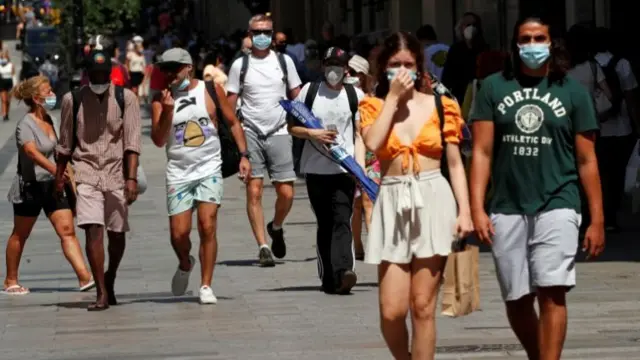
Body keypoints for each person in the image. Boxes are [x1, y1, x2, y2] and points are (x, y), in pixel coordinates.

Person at [470, 17, 605, 360]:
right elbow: (482, 152)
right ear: (515, 45)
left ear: (551, 42)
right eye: (525, 38)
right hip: (507, 204)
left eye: (539, 38)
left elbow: (587, 160)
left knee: (552, 291)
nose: (533, 44)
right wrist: (475, 208)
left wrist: (597, 219)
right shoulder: (493, 88)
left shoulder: (573, 92)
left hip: (559, 200)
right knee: (516, 299)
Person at [361, 32, 473, 359]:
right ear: (383, 67)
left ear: (420, 66)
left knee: (422, 306)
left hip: (434, 196)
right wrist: (393, 99)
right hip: (394, 200)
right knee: (391, 311)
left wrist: (464, 211)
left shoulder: (443, 104)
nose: (403, 70)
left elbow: (455, 163)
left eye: (409, 64)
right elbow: (372, 144)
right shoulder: (373, 106)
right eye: (395, 64)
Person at [151, 48, 251, 304]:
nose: (169, 74)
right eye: (165, 69)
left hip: (209, 168)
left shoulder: (210, 90)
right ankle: (185, 263)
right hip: (179, 173)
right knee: (178, 235)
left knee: (208, 225)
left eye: (174, 68)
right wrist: (168, 110)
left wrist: (244, 155)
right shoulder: (160, 99)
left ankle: (206, 285)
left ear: (188, 68)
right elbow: (159, 140)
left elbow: (233, 123)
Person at [55, 50, 142, 311]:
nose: (100, 78)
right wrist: (59, 177)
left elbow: (133, 142)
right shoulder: (73, 100)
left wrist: (131, 179)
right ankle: (101, 292)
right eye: (95, 74)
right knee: (93, 229)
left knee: (117, 233)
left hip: (117, 172)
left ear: (112, 74)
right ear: (87, 74)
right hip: (86, 171)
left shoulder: (127, 99)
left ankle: (110, 274)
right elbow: (65, 143)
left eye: (104, 74)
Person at [4, 76, 94, 295]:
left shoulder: (50, 119)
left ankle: (85, 277)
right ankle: (10, 280)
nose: (52, 94)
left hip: (54, 186)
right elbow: (31, 153)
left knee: (67, 231)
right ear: (36, 98)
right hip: (31, 187)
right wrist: (57, 171)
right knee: (20, 234)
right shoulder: (24, 125)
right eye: (48, 91)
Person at [226, 14, 302, 267]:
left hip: (280, 130)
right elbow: (230, 105)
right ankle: (263, 246)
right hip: (250, 131)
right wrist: (235, 143)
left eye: (267, 32)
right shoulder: (240, 65)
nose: (262, 37)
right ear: (249, 34)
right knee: (254, 190)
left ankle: (276, 226)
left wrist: (308, 122)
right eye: (257, 32)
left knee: (287, 192)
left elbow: (297, 96)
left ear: (272, 35)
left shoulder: (284, 62)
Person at [288, 47, 365, 294]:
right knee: (325, 222)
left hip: (344, 169)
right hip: (315, 170)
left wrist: (360, 169)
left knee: (342, 219)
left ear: (346, 69)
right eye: (330, 64)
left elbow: (360, 134)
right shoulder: (309, 93)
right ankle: (329, 277)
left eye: (338, 65)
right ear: (323, 66)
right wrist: (312, 133)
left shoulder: (356, 96)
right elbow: (292, 127)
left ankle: (344, 272)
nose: (334, 70)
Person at [593, 27, 640, 232]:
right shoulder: (622, 63)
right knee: (617, 173)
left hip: (595, 126)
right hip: (621, 127)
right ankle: (611, 216)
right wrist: (637, 124)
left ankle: (596, 213)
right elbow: (631, 97)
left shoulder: (588, 64)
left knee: (598, 172)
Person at [344, 54, 377, 260]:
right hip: (349, 155)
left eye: (353, 72)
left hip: (373, 156)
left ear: (363, 76)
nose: (348, 74)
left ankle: (375, 244)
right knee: (355, 205)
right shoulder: (341, 95)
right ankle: (357, 243)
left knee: (368, 200)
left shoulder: (372, 99)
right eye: (346, 70)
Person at [441, 12, 488, 102]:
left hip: (479, 95)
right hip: (459, 95)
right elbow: (447, 76)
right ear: (461, 28)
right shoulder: (455, 49)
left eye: (474, 25)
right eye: (467, 25)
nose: (471, 28)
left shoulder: (484, 48)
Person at [0, 50, 15, 121]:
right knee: (4, 100)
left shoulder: (11, 65)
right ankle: (4, 114)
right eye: (2, 57)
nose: (3, 59)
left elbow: (13, 75)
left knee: (8, 100)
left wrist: (15, 84)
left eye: (5, 57)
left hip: (9, 82)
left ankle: (7, 113)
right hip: (2, 82)